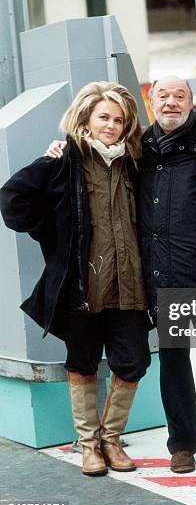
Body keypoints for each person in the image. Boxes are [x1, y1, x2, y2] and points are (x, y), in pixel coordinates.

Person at [44, 76, 196, 474]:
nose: (171, 103)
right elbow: (94, 162)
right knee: (174, 363)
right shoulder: (138, 147)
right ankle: (182, 445)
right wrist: (62, 148)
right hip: (160, 273)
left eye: (180, 96)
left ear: (191, 103)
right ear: (151, 103)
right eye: (164, 96)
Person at [0, 82, 152, 477]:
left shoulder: (134, 161)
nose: (111, 126)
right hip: (82, 288)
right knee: (82, 362)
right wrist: (54, 236)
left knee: (132, 361)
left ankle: (111, 439)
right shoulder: (63, 160)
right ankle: (89, 446)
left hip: (129, 284)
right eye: (104, 117)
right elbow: (12, 200)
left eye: (119, 120)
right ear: (86, 118)